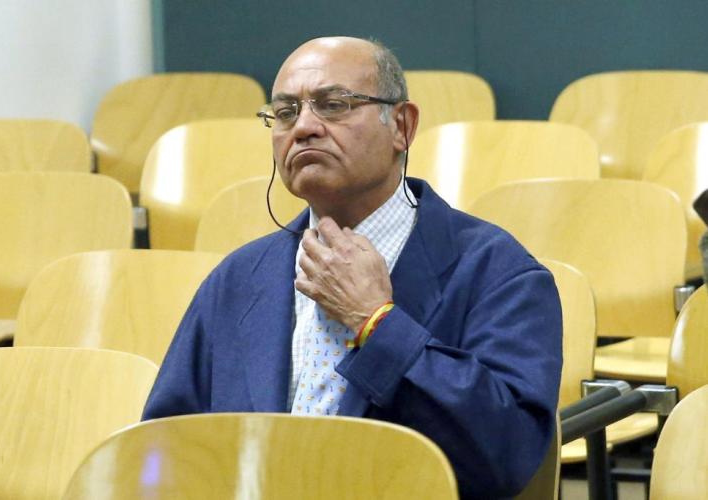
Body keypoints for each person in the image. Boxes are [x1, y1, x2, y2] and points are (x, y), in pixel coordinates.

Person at [143, 36, 562, 499]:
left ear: (401, 126)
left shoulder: (499, 272)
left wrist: (377, 323)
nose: (304, 127)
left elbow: (507, 457)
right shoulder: (238, 278)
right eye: (285, 113)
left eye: (333, 105)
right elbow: (164, 449)